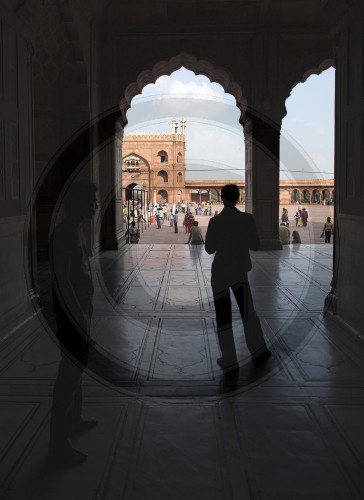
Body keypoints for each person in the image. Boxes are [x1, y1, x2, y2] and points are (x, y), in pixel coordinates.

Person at [48, 180, 99, 465]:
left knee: (77, 369)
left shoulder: (76, 230)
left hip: (82, 309)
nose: (95, 205)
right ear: (77, 203)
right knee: (67, 377)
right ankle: (58, 444)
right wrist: (77, 316)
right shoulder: (65, 234)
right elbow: (63, 280)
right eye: (91, 200)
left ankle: (75, 419)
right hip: (72, 314)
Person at [205, 184, 271, 372]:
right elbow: (256, 245)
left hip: (219, 273)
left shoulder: (215, 222)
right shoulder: (246, 219)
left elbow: (209, 249)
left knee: (223, 315)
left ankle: (229, 358)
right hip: (239, 271)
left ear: (221, 198)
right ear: (238, 198)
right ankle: (259, 351)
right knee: (248, 312)